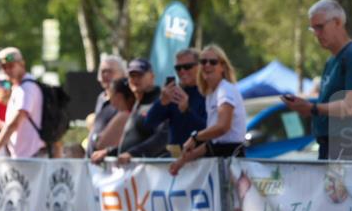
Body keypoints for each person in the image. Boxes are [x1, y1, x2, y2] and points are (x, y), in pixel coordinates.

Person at [282, 0, 352, 160]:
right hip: (329, 145)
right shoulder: (332, 61)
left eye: (320, 27)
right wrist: (306, 106)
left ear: (338, 22)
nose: (316, 34)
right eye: (313, 29)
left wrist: (313, 108)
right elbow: (328, 104)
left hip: (347, 146)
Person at [170, 44, 248, 175]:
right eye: (203, 62)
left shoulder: (225, 89)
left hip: (231, 158)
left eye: (213, 62)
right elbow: (213, 143)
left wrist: (194, 137)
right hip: (219, 157)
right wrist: (182, 161)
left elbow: (223, 127)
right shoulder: (211, 93)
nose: (207, 65)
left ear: (222, 67)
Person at [90, 58, 168, 163]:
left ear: (152, 77)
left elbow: (163, 138)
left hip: (156, 172)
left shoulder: (161, 101)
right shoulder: (139, 103)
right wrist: (109, 152)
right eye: (132, 76)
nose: (135, 80)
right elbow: (134, 142)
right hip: (135, 171)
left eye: (140, 75)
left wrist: (133, 154)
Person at [0, 47, 44, 161]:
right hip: (26, 157)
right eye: (4, 67)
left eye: (11, 65)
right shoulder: (20, 87)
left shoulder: (26, 88)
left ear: (22, 64)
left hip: (31, 158)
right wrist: (3, 125)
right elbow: (21, 124)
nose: (7, 70)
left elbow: (15, 123)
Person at [144, 48, 207, 155]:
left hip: (201, 160)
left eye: (187, 67)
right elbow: (148, 124)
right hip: (177, 159)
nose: (182, 71)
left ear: (199, 67)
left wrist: (186, 111)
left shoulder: (208, 93)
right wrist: (161, 103)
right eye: (178, 68)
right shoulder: (174, 94)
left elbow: (208, 131)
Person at [86, 54, 127, 146]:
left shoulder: (127, 98)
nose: (105, 75)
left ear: (123, 74)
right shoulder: (101, 97)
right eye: (103, 71)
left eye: (110, 71)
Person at [89, 78, 136, 157]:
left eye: (110, 94)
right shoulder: (130, 114)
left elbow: (101, 144)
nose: (109, 98)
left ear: (118, 96)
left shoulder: (124, 116)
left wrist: (96, 138)